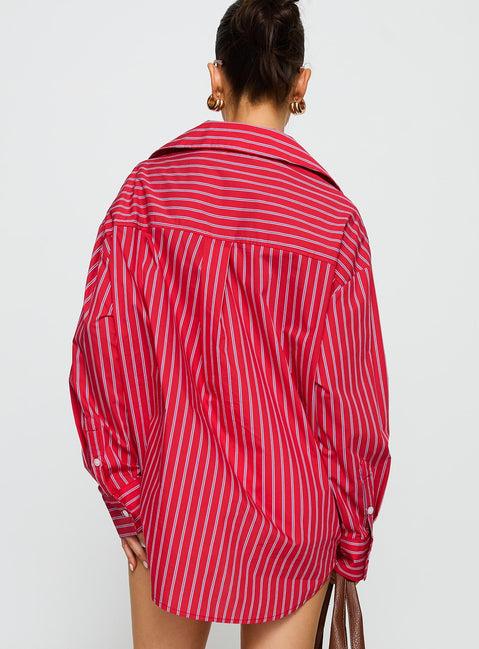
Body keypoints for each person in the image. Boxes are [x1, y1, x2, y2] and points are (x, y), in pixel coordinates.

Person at [68, 0, 392, 647]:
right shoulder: (334, 222)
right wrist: (352, 540)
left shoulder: (147, 193)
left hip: (176, 504)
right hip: (292, 518)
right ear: (300, 83)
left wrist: (124, 491)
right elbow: (350, 405)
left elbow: (104, 345)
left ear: (217, 76)